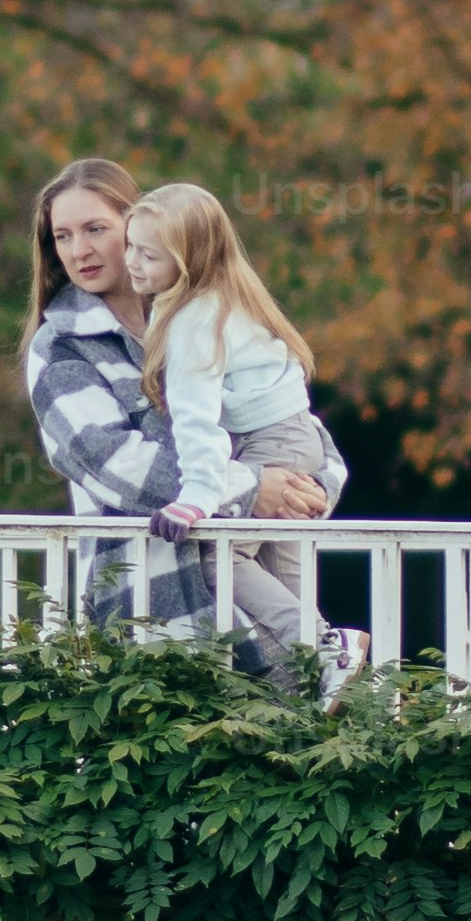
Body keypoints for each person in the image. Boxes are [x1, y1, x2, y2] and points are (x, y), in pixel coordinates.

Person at [18, 158, 322, 647]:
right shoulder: (61, 348)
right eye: (63, 236)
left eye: (95, 229)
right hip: (154, 612)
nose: (79, 250)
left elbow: (287, 417)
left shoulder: (202, 315)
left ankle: (323, 650)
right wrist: (250, 490)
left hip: (258, 614)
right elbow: (118, 466)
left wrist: (312, 487)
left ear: (137, 225)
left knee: (313, 678)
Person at [122, 181, 362, 685]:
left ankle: (325, 647)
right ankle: (331, 677)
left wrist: (198, 496)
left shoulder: (194, 319)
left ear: (188, 261)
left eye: (149, 255)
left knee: (219, 561)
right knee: (287, 577)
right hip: (291, 439)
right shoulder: (222, 299)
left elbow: (196, 418)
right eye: (130, 246)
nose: (132, 262)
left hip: (272, 444)